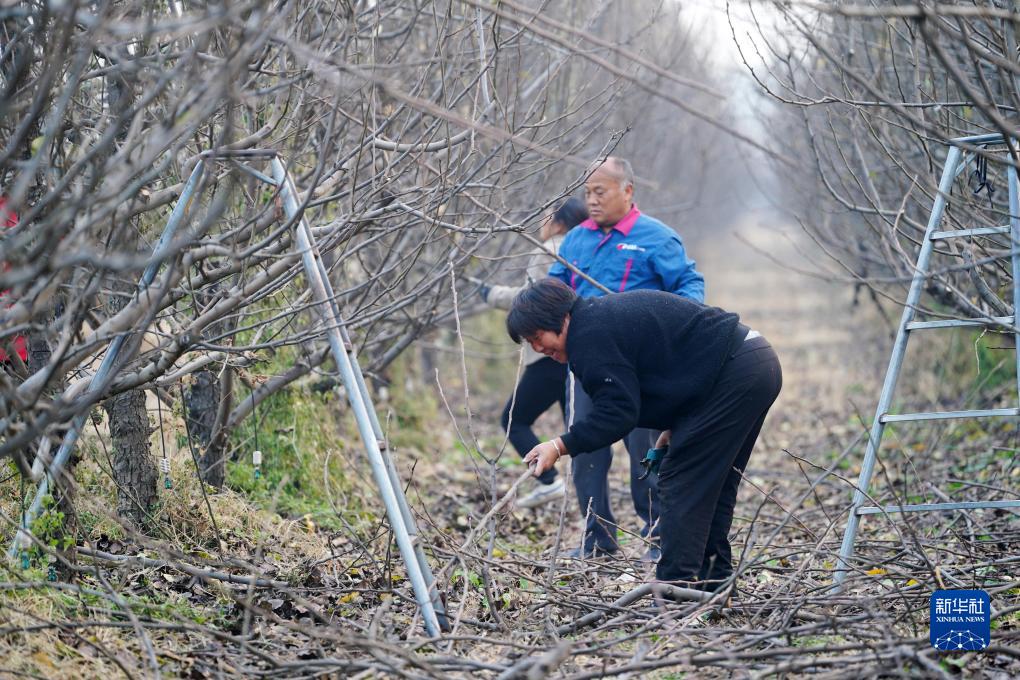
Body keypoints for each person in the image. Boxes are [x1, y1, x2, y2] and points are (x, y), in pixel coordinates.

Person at [508, 278, 782, 589]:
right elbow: (672, 366)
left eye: (537, 337)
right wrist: (675, 425)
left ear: (561, 317)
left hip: (736, 371)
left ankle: (674, 593)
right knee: (711, 486)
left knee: (682, 480)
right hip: (751, 362)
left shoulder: (589, 336)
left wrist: (559, 446)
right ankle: (713, 587)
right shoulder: (596, 322)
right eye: (529, 342)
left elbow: (617, 414)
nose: (538, 348)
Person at [547, 156, 704, 560]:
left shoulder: (657, 238)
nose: (592, 200)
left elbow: (689, 286)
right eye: (587, 193)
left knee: (645, 454)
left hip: (643, 368)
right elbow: (554, 291)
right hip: (587, 367)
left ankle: (659, 537)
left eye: (600, 192)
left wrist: (675, 332)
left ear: (627, 191)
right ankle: (597, 539)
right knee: (585, 450)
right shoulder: (575, 240)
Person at [479, 198, 588, 508]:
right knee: (578, 431)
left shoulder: (550, 248)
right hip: (577, 349)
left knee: (514, 420)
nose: (542, 222)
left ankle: (549, 480)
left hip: (550, 355)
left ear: (559, 221)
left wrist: (492, 294)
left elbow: (535, 299)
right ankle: (591, 509)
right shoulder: (587, 248)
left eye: (546, 215)